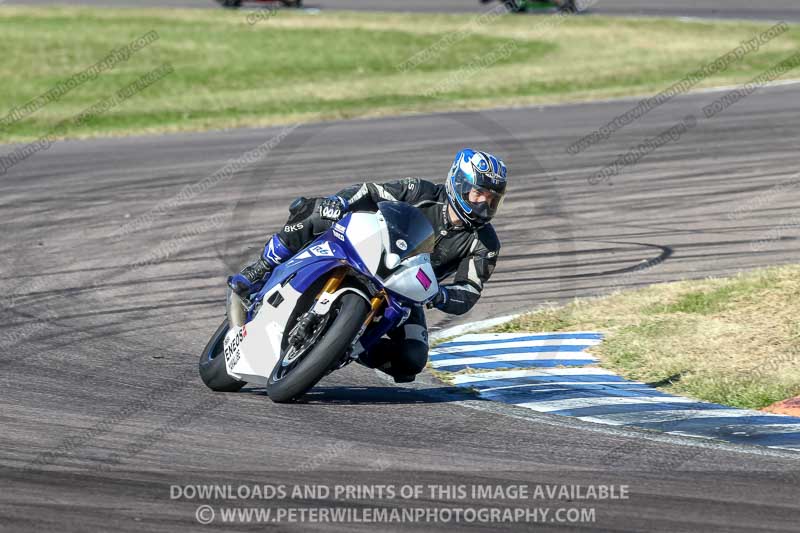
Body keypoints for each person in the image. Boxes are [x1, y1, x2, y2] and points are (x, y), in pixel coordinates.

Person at [227, 149, 507, 383]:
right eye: (478, 193)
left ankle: (345, 346)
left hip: (405, 293)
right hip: (366, 250)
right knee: (313, 210)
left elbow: (469, 290)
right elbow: (371, 192)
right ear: (459, 184)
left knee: (411, 360)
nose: (485, 204)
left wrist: (441, 295)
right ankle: (261, 269)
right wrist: (339, 202)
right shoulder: (420, 191)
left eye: (493, 199)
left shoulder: (485, 243)